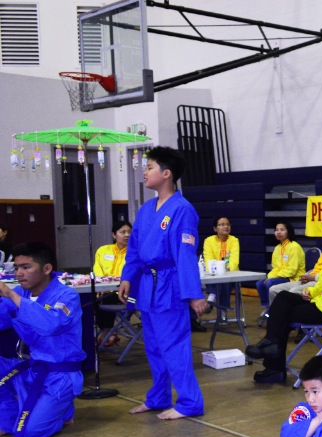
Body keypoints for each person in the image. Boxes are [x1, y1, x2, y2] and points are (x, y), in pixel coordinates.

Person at [119, 146, 208, 421]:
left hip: (170, 285)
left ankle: (190, 401)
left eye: (149, 168)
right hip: (147, 285)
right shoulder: (146, 210)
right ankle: (158, 396)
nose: (144, 172)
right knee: (154, 347)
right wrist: (126, 277)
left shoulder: (183, 210)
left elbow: (185, 254)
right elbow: (133, 249)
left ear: (166, 174)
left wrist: (194, 294)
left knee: (174, 346)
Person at [0, 242, 84, 437]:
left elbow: (51, 325)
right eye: (17, 267)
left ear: (46, 269)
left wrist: (11, 295)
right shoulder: (22, 292)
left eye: (26, 267)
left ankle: (58, 410)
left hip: (60, 374)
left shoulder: (67, 296)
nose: (19, 273)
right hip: (33, 368)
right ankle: (14, 416)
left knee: (27, 433)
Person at [245, 247, 322, 384]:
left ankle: (274, 367)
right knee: (283, 297)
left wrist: (311, 291)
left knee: (283, 314)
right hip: (318, 300)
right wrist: (310, 291)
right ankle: (271, 343)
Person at [267, 220, 322, 305]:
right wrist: (306, 276)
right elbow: (315, 269)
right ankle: (273, 314)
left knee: (292, 292)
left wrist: (313, 277)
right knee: (273, 289)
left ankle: (290, 317)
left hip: (319, 283)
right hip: (308, 280)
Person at [93, 219, 132, 345]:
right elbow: (97, 271)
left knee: (104, 299)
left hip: (126, 293)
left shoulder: (134, 253)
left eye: (129, 232)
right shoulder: (103, 250)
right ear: (114, 235)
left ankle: (107, 331)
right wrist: (100, 286)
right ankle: (106, 331)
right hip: (104, 290)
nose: (127, 235)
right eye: (123, 232)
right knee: (87, 300)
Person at [256, 222, 305, 318]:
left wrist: (272, 277)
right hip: (281, 276)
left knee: (270, 283)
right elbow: (275, 267)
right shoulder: (277, 248)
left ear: (288, 232)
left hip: (294, 278)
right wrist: (270, 276)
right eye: (276, 230)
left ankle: (273, 310)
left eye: (282, 230)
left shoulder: (294, 247)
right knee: (260, 283)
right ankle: (268, 308)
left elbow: (292, 270)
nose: (278, 232)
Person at [202, 216, 240, 310]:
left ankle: (212, 297)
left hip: (230, 274)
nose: (225, 227)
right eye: (222, 225)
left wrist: (223, 271)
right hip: (213, 274)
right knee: (218, 280)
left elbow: (234, 261)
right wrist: (217, 270)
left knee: (224, 280)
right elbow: (208, 260)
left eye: (227, 224)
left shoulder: (234, 240)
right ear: (215, 228)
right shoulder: (208, 241)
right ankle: (223, 310)